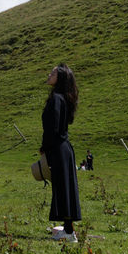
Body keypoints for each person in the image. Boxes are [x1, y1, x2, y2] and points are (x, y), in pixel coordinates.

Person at [40, 63, 81, 243]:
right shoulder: (63, 97)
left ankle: (69, 232)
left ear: (61, 77)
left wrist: (45, 147)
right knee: (65, 187)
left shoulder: (56, 98)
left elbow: (53, 128)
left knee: (63, 188)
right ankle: (68, 229)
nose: (49, 74)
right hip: (64, 147)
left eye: (54, 72)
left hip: (58, 147)